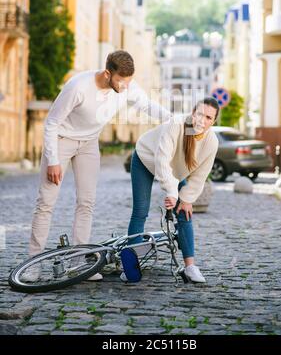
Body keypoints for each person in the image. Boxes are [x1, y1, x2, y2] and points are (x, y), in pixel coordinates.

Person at [24, 50, 171, 282]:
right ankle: (32, 263)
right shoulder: (78, 86)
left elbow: (148, 106)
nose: (125, 87)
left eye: (128, 82)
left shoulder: (127, 87)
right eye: (121, 81)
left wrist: (176, 121)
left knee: (87, 202)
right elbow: (51, 123)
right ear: (107, 73)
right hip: (62, 141)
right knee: (46, 203)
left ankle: (78, 261)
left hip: (89, 144)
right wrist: (53, 160)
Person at [124, 96, 219, 283]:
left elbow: (200, 177)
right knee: (141, 211)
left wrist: (186, 199)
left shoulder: (211, 142)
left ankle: (190, 267)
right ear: (193, 113)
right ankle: (132, 265)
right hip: (146, 158)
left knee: (185, 211)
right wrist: (171, 192)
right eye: (200, 114)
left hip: (174, 170)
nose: (202, 120)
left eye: (208, 117)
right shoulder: (176, 124)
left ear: (213, 121)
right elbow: (162, 160)